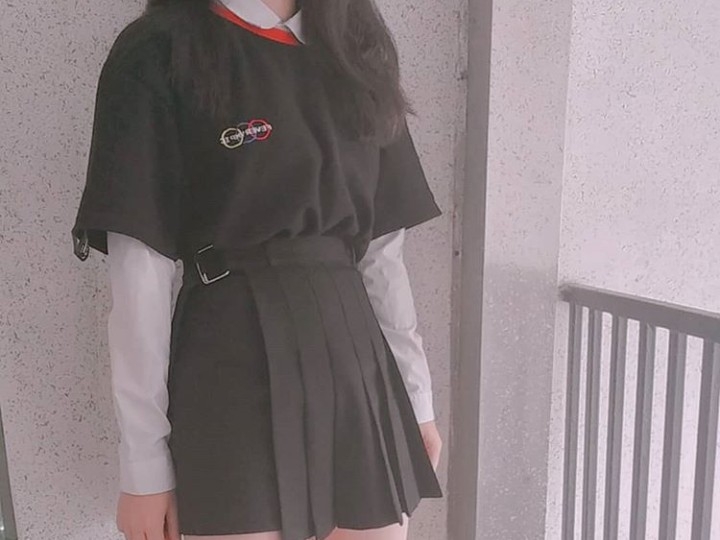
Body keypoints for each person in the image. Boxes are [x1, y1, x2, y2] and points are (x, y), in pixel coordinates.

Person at [70, 0, 444, 539]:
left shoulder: (358, 50)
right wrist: (143, 465)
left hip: (356, 365)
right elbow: (139, 276)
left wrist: (415, 398)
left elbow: (382, 253)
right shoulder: (158, 52)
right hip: (228, 357)